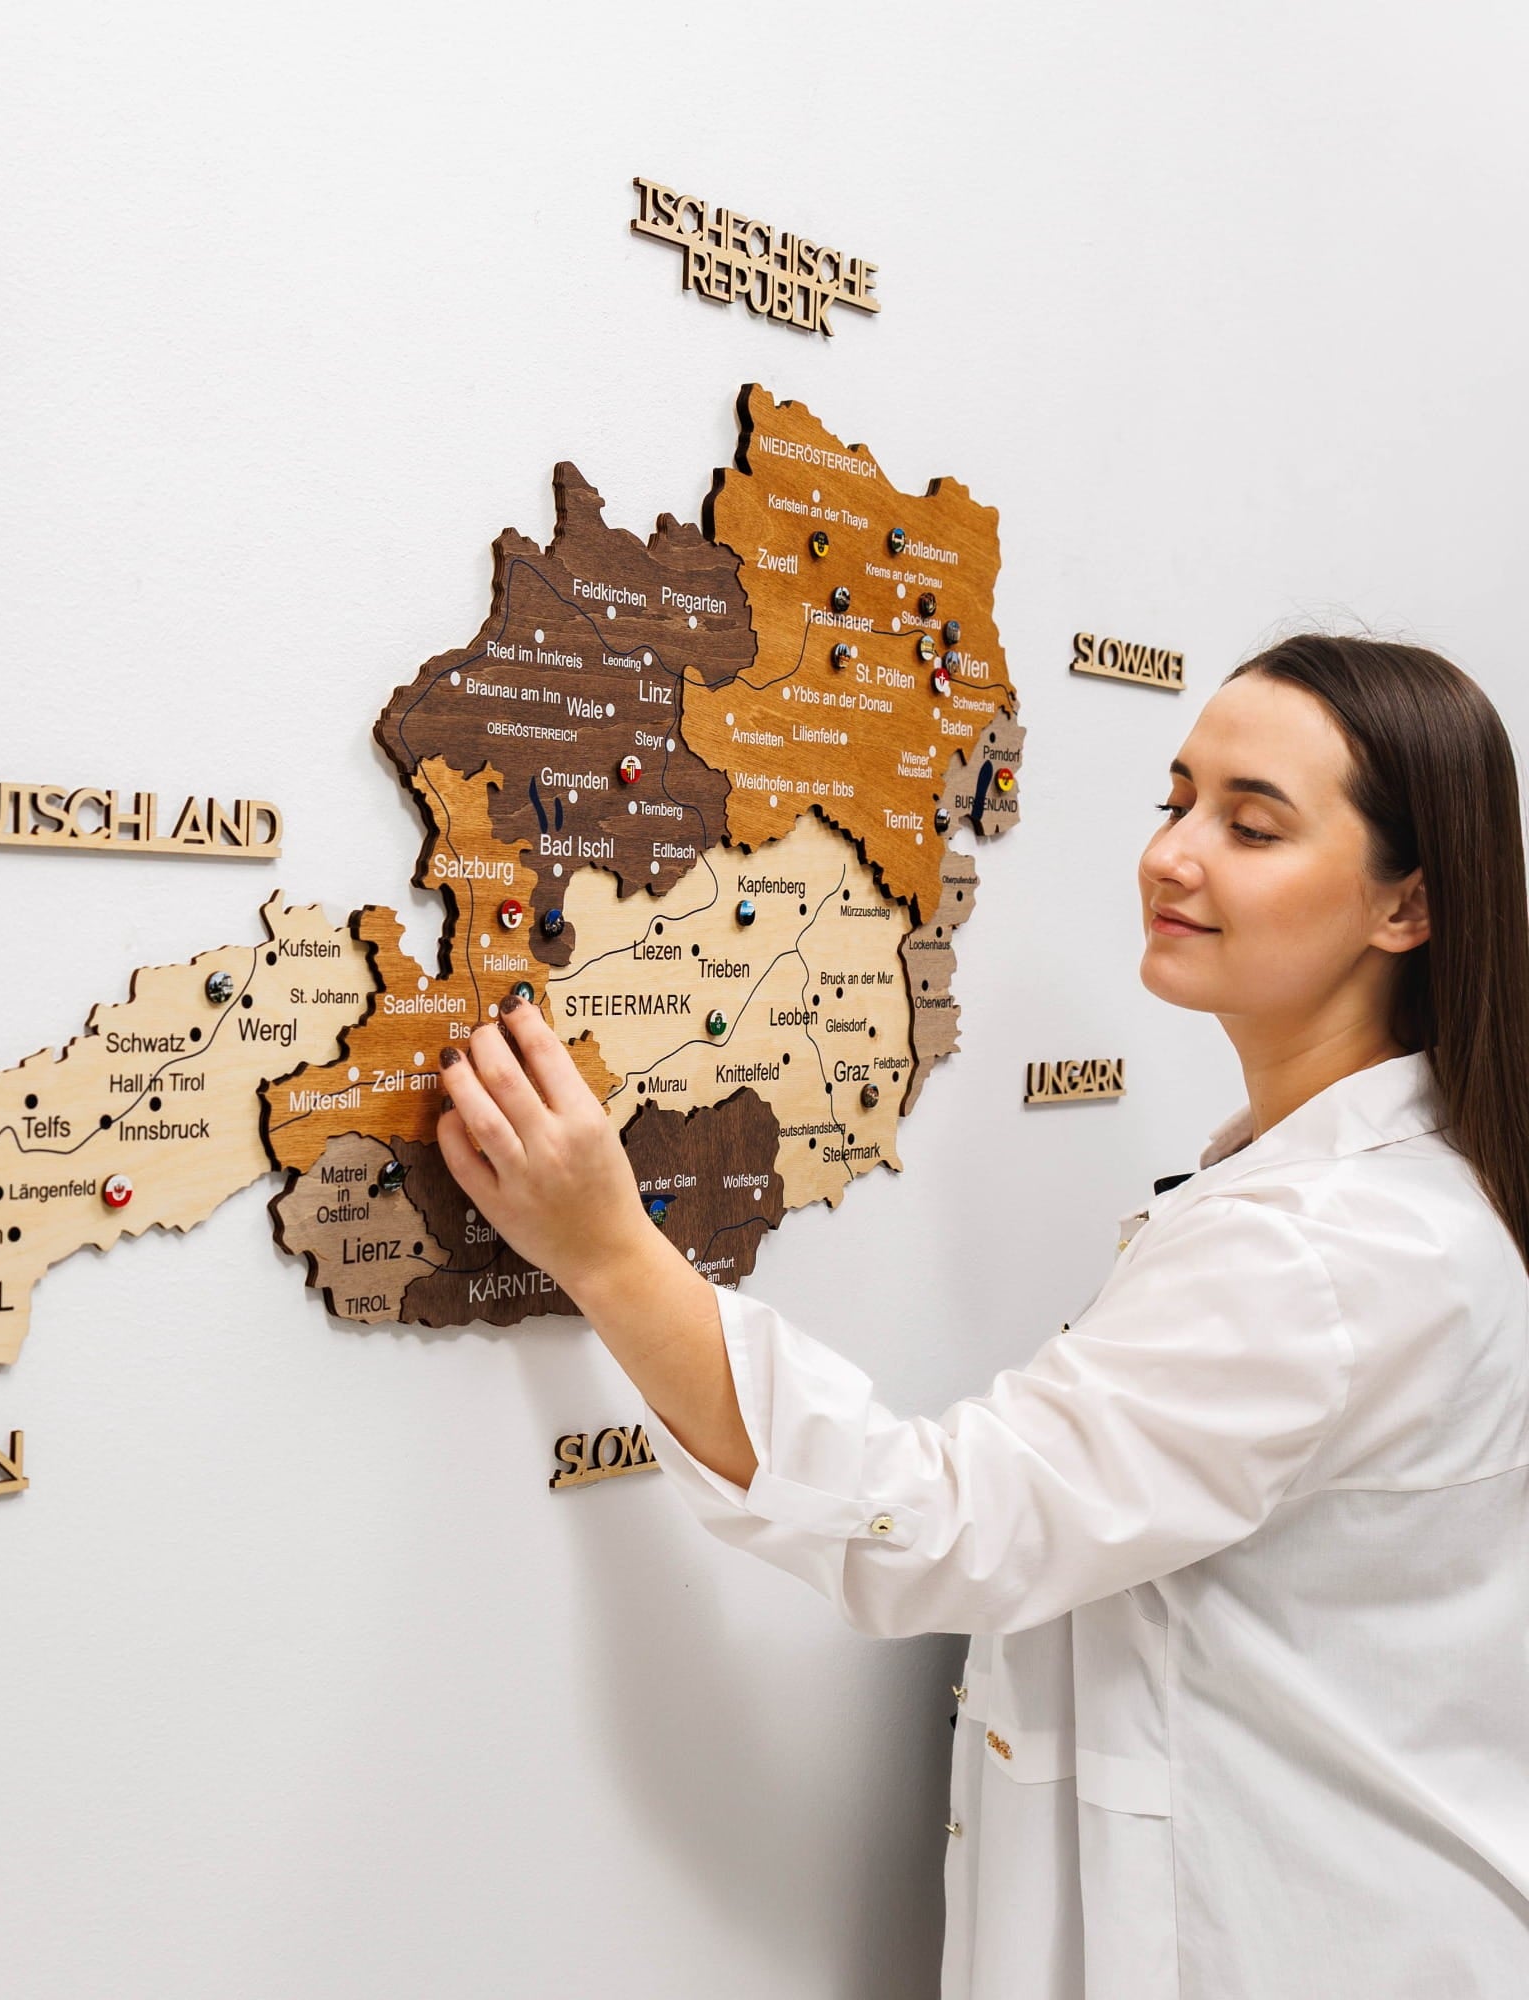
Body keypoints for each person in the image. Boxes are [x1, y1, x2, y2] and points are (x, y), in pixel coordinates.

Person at [434, 634, 1529, 1995]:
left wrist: (607, 1249)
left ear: (1405, 908)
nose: (1175, 854)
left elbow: (940, 1526)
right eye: (1175, 800)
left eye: (1251, 825)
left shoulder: (1322, 1251)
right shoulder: (1373, 1190)